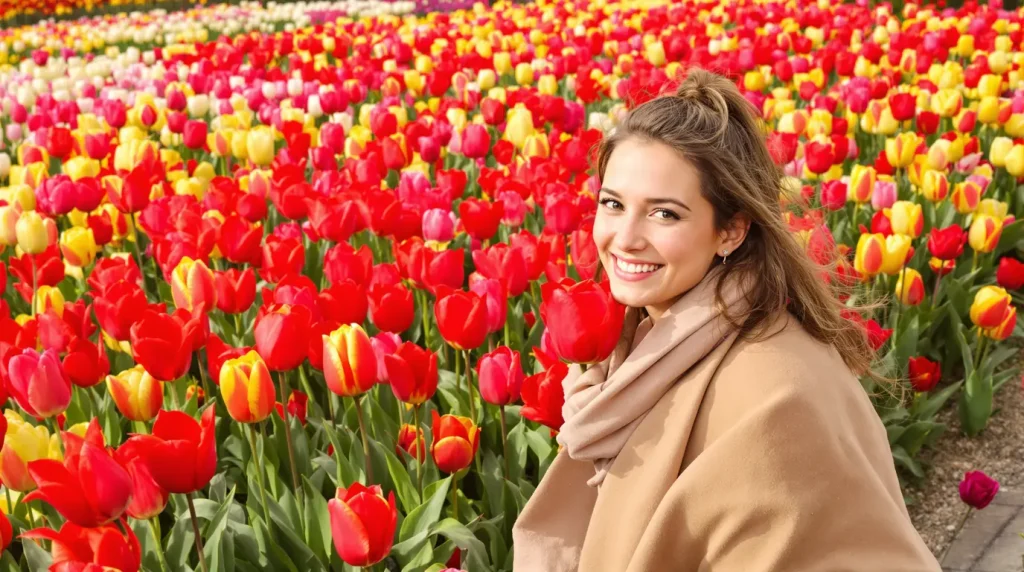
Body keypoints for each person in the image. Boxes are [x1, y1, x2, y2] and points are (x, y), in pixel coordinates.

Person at [511, 68, 941, 571]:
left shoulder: (776, 397)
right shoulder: (653, 343)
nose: (624, 237)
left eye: (664, 214)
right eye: (613, 203)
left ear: (731, 232)